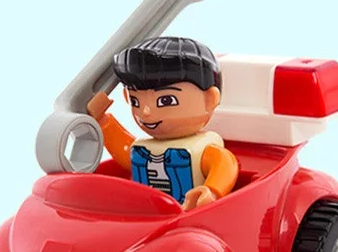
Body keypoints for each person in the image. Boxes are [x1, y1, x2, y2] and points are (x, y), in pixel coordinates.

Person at [87, 37, 238, 211]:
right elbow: (126, 152)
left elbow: (226, 165)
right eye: (136, 101)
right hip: (148, 214)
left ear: (210, 99)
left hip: (189, 214)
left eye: (166, 100)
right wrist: (103, 122)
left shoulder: (203, 150)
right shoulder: (142, 150)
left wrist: (211, 190)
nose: (146, 111)